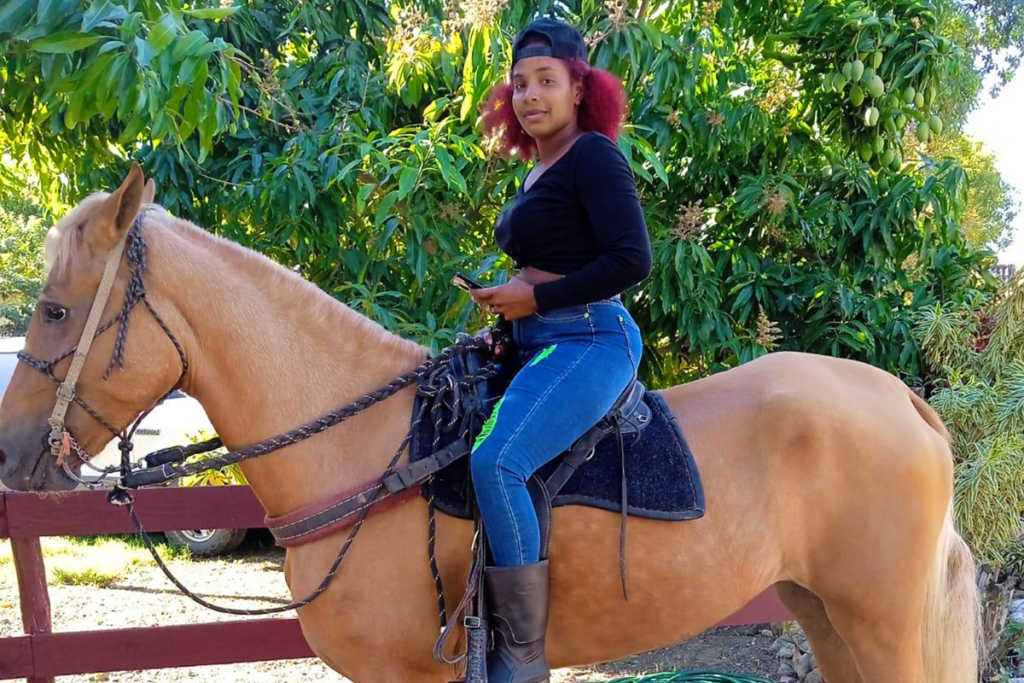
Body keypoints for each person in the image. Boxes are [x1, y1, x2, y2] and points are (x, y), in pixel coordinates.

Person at [466, 17, 652, 683]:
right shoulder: (536, 170)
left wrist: (536, 299)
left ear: (580, 89)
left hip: (591, 336)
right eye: (519, 84)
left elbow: (633, 260)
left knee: (498, 461)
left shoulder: (593, 156)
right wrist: (508, 312)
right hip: (538, 337)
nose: (529, 96)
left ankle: (521, 657)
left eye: (546, 81)